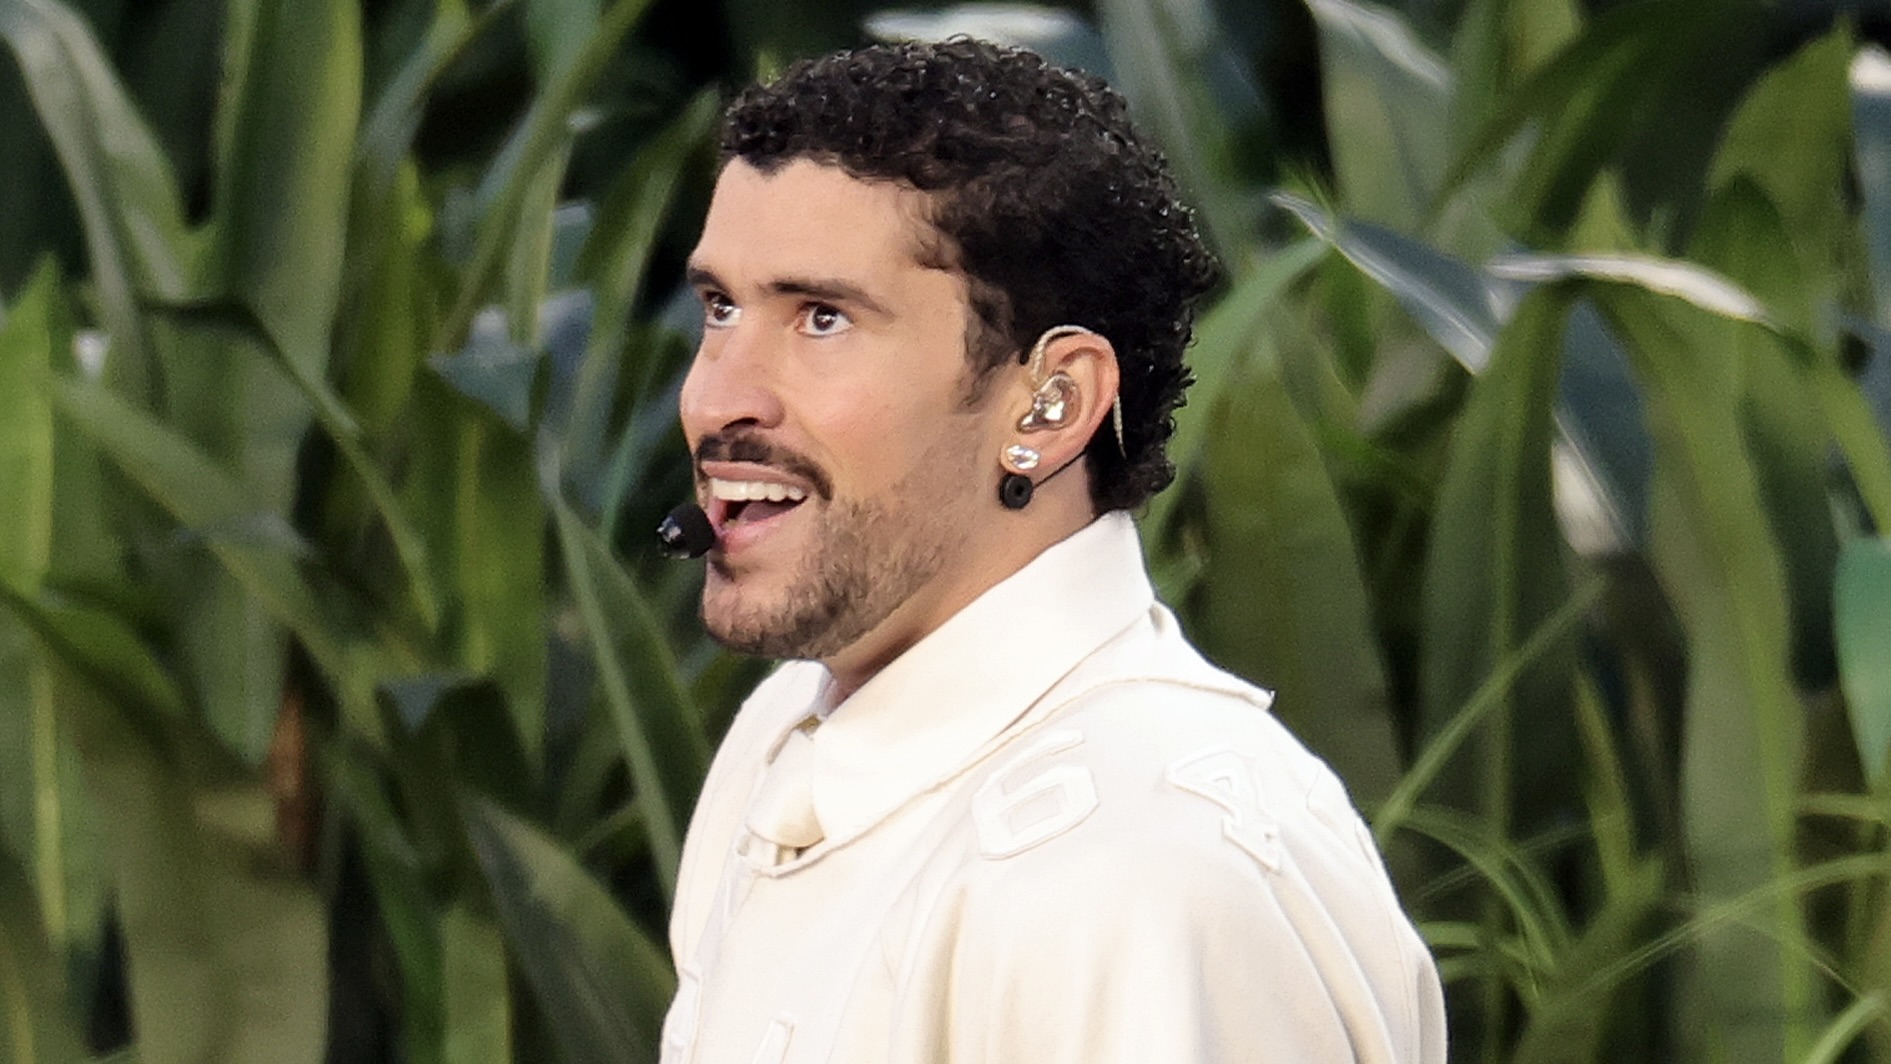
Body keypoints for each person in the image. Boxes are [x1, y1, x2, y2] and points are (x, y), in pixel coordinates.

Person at [659, 37, 1446, 1064]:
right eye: (720, 307)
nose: (716, 396)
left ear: (1051, 400)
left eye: (821, 318)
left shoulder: (1140, 879)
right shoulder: (781, 732)